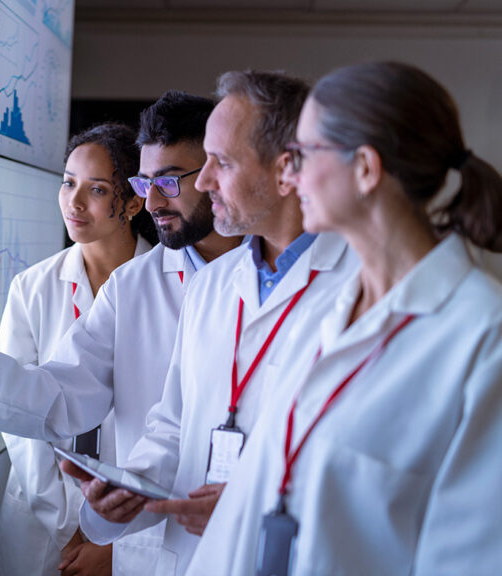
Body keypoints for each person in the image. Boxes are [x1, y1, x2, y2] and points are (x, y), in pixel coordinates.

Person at [186, 61, 502, 576]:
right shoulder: (333, 311)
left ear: (365, 170)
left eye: (303, 155)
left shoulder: (482, 337)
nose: (288, 175)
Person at [0, 91, 242, 574]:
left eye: (170, 182)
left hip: (242, 530)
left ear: (218, 172)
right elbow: (67, 390)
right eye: (145, 182)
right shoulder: (132, 288)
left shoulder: (271, 278)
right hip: (147, 538)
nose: (153, 200)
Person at [65, 70, 361, 576]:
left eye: (220, 163)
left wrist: (251, 503)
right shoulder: (211, 285)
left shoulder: (363, 286)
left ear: (287, 167)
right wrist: (131, 484)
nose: (202, 182)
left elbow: (366, 461)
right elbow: (174, 422)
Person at [0, 123, 154, 576]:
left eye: (97, 189)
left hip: (128, 527)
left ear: (134, 202)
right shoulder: (32, 288)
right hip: (40, 518)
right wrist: (70, 525)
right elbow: (18, 419)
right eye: (68, 183)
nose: (74, 202)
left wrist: (105, 534)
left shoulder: (168, 287)